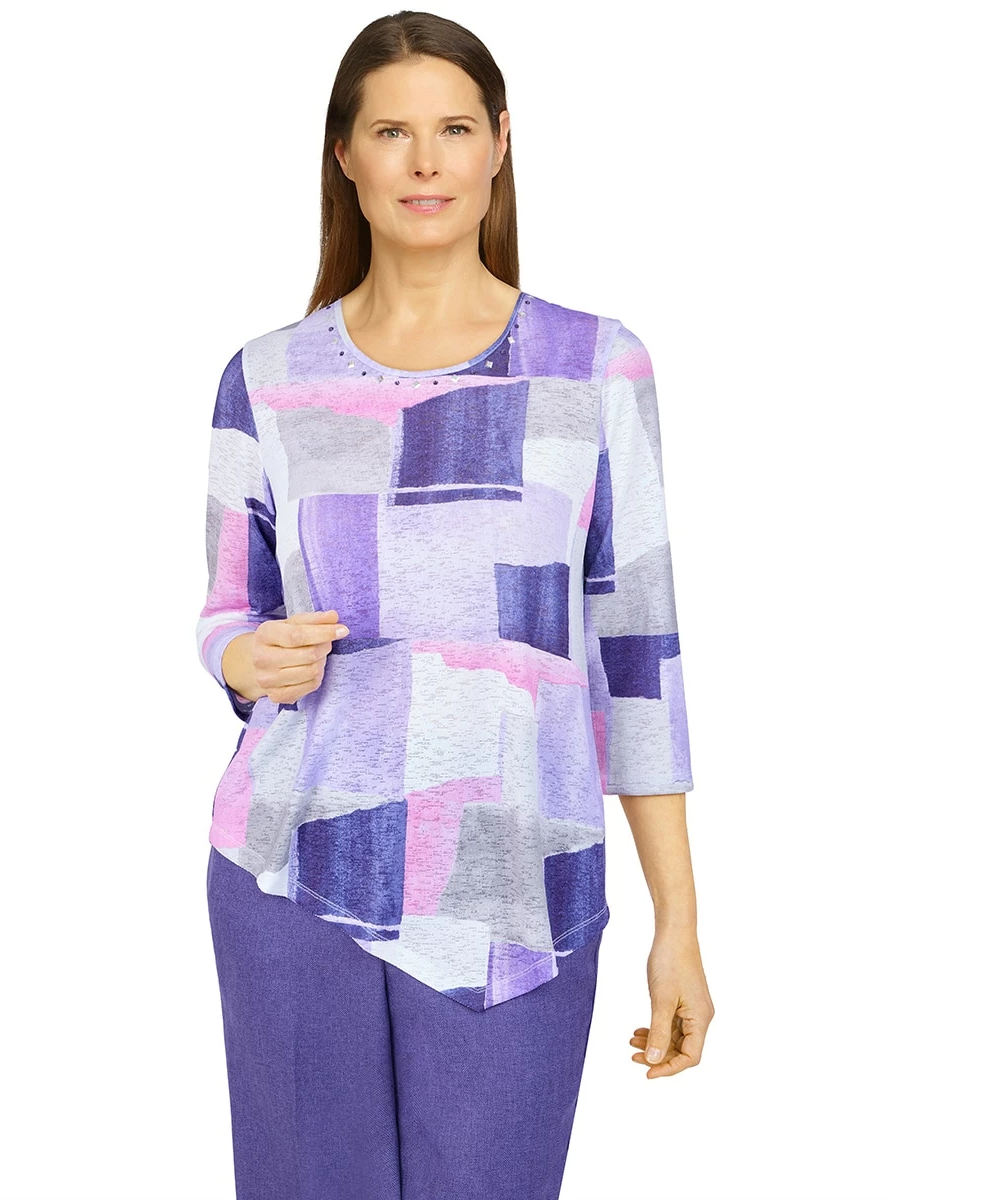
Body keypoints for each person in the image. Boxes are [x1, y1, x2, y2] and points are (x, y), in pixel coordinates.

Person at [194, 10, 714, 1199]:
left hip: (516, 886)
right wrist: (242, 659)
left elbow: (637, 652)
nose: (425, 162)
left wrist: (677, 925)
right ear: (346, 154)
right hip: (291, 868)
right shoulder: (266, 376)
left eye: (454, 129)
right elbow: (226, 610)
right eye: (392, 132)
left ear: (500, 144)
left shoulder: (595, 366)